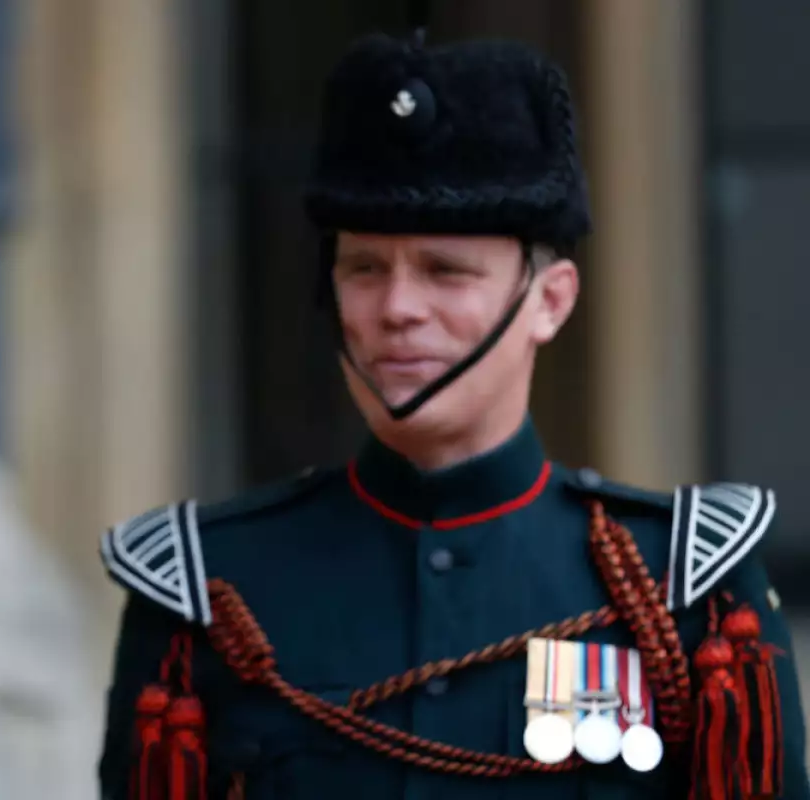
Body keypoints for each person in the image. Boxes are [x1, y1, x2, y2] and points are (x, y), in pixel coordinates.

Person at [96, 32, 810, 800]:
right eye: (363, 268)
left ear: (552, 301)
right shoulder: (206, 588)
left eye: (446, 271)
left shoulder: (688, 584)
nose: (398, 309)